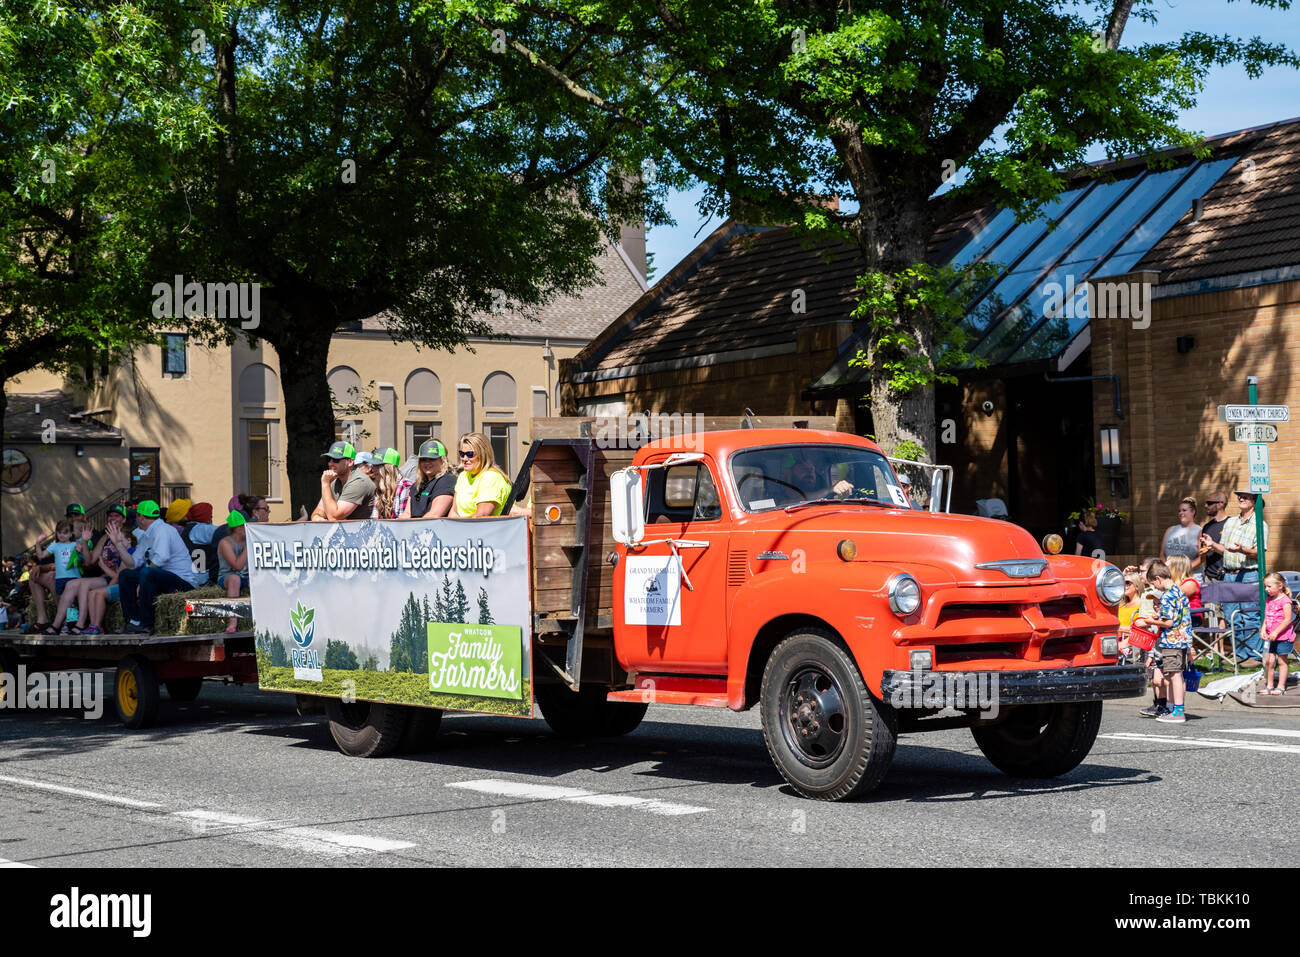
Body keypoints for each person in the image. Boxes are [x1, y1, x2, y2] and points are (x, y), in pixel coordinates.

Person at [114, 500, 208, 635]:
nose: (136, 520)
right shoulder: (147, 534)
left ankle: (146, 624)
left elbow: (162, 558)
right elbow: (132, 564)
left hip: (184, 582)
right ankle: (133, 621)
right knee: (126, 575)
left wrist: (142, 579)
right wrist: (117, 544)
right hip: (163, 579)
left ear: (140, 517)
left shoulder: (163, 530)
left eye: (136, 517)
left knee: (147, 573)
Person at [1206, 491, 1268, 661]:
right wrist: (1213, 545)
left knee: (1250, 616)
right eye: (1239, 496)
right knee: (1231, 616)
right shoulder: (1231, 522)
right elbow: (1224, 549)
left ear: (1254, 502)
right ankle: (1240, 655)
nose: (1241, 498)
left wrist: (1243, 550)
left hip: (1248, 575)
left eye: (1246, 497)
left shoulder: (1260, 525)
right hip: (1228, 575)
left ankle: (1254, 657)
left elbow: (1260, 554)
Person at [1137, 560, 1192, 723]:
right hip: (1182, 639)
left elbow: (1168, 623)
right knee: (1178, 675)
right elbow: (1176, 616)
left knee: (1174, 675)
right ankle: (1175, 708)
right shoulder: (1178, 592)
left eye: (1154, 583)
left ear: (1159, 578)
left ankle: (1178, 711)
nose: (1155, 587)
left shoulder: (1167, 596)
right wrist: (1158, 617)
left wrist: (1148, 622)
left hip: (1172, 640)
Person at [77, 505, 129, 635]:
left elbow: (127, 566)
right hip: (104, 577)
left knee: (84, 584)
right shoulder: (104, 537)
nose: (112, 518)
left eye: (116, 515)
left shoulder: (127, 537)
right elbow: (89, 562)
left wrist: (110, 585)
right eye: (110, 515)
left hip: (114, 577)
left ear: (123, 519)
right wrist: (84, 541)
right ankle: (70, 623)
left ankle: (83, 624)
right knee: (71, 584)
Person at [32, 520, 83, 633]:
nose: (61, 535)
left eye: (65, 532)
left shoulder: (75, 545)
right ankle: (66, 623)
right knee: (62, 602)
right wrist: (38, 543)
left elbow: (84, 556)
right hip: (60, 579)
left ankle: (70, 625)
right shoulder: (54, 545)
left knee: (73, 603)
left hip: (73, 578)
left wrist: (81, 550)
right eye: (59, 532)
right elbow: (40, 556)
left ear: (71, 534)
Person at [311, 441, 375, 520]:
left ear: (350, 462)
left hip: (363, 531)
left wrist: (325, 483)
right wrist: (317, 518)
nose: (330, 463)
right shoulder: (335, 482)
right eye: (328, 459)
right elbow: (318, 512)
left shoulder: (360, 481)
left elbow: (334, 517)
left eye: (336, 459)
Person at [453, 432, 512, 517]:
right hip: (464, 527)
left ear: (483, 454)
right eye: (462, 454)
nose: (464, 459)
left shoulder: (491, 477)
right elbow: (454, 511)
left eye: (470, 454)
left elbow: (481, 517)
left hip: (489, 529)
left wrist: (457, 526)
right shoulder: (463, 476)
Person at [217, 511, 250, 634]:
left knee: (256, 579)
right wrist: (248, 547)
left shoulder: (246, 540)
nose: (246, 529)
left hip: (245, 577)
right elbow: (237, 566)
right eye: (243, 526)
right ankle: (233, 621)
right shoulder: (225, 543)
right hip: (226, 577)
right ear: (237, 529)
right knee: (234, 579)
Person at [1261, 572, 1294, 696]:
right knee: (1269, 661)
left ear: (1280, 586)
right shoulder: (1269, 600)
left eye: (1269, 586)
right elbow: (1267, 617)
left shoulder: (1285, 601)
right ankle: (1269, 685)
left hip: (1283, 637)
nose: (1266, 589)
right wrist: (1263, 629)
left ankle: (1281, 686)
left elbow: (1287, 619)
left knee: (1281, 661)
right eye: (1265, 586)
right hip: (1271, 637)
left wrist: (1276, 631)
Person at [406, 439, 457, 519]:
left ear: (443, 460)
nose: (427, 463)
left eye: (432, 459)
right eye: (423, 460)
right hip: (415, 528)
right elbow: (406, 513)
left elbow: (434, 515)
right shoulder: (417, 484)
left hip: (433, 529)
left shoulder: (447, 480)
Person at [1195, 491, 1228, 581]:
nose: (1205, 506)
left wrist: (1214, 546)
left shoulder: (1231, 524)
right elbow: (1202, 555)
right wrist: (1203, 552)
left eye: (1209, 503)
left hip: (1226, 577)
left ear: (1220, 504)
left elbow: (1232, 551)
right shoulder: (1207, 526)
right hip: (1209, 577)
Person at [1161, 497, 1201, 562]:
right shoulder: (1170, 530)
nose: (1180, 513)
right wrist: (1167, 569)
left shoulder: (1199, 531)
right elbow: (1162, 554)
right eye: (1179, 511)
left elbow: (1201, 558)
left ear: (1193, 512)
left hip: (1191, 572)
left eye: (1184, 510)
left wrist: (1184, 570)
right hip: (1169, 571)